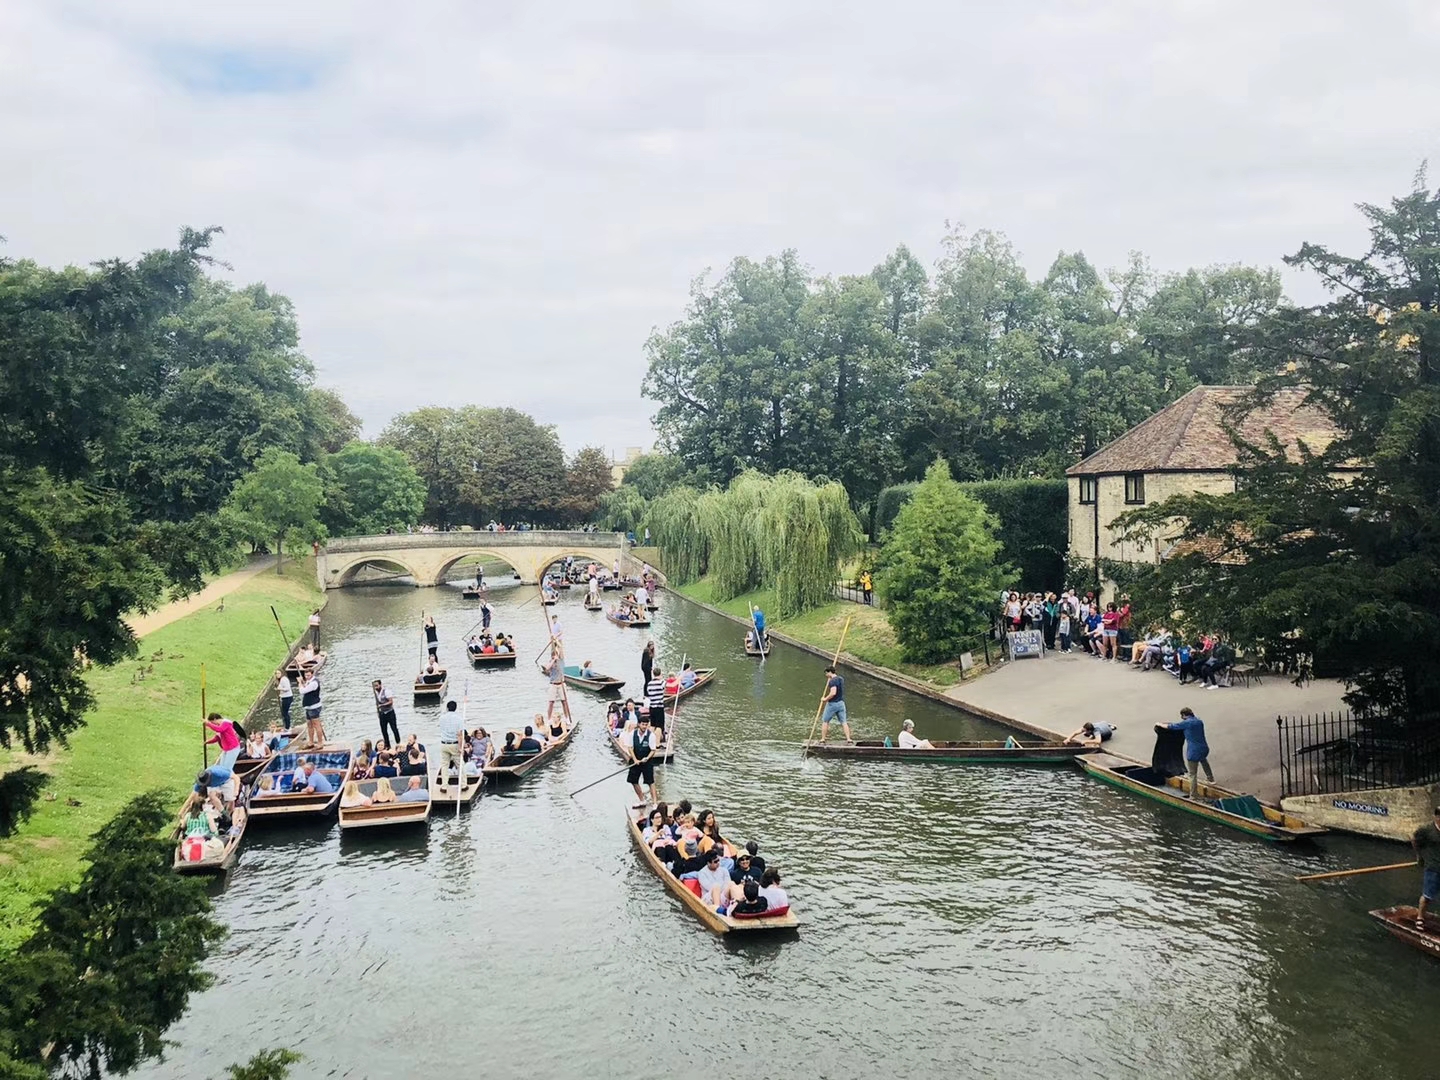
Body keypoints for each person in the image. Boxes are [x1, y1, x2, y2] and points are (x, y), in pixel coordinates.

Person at [1165, 707, 1213, 798]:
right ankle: (1211, 779)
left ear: (1184, 715)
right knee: (1204, 761)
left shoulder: (1187, 723)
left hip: (1193, 751)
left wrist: (1159, 724)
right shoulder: (1199, 721)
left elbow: (1172, 727)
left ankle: (1193, 795)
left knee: (1192, 774)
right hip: (1204, 748)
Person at [1411, 807, 1440, 930]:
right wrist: (1420, 856)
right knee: (1427, 896)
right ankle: (1420, 918)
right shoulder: (1427, 830)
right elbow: (1414, 839)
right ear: (1436, 817)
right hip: (1432, 867)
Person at [626, 715, 658, 808]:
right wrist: (635, 759)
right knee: (633, 781)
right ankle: (642, 800)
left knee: (650, 782)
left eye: (646, 725)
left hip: (647, 762)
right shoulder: (633, 734)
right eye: (643, 724)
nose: (644, 726)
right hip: (635, 760)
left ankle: (655, 803)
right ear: (639, 724)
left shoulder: (651, 735)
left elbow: (653, 750)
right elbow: (630, 748)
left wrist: (647, 758)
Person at [819, 666, 850, 742]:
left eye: (826, 673)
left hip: (832, 704)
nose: (826, 675)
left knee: (825, 721)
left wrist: (825, 699)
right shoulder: (840, 679)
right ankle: (849, 739)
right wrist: (830, 679)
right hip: (841, 703)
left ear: (829, 672)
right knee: (844, 722)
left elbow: (833, 693)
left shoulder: (832, 681)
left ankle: (823, 739)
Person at [544, 648, 572, 725]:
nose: (556, 656)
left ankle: (567, 718)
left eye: (557, 654)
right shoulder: (551, 662)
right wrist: (553, 660)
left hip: (561, 684)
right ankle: (549, 719)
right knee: (551, 702)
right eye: (554, 655)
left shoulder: (561, 661)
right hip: (553, 684)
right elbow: (547, 668)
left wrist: (558, 652)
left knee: (564, 701)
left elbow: (561, 651)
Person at [438, 698, 464, 777]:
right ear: (455, 708)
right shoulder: (459, 719)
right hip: (454, 744)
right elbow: (459, 734)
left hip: (444, 744)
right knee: (460, 765)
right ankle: (463, 784)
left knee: (444, 766)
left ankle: (444, 786)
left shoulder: (441, 718)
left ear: (447, 708)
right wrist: (460, 747)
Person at [373, 679, 400, 744]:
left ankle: (398, 743)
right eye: (375, 686)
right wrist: (378, 713)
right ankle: (387, 745)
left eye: (377, 686)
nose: (376, 687)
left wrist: (381, 705)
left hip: (390, 713)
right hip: (382, 714)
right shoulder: (376, 693)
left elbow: (391, 702)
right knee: (384, 730)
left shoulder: (386, 691)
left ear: (380, 685)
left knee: (394, 729)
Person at [645, 666, 667, 746]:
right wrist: (680, 678)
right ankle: (657, 744)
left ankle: (649, 742)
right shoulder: (662, 682)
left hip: (652, 707)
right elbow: (672, 685)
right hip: (659, 707)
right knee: (659, 727)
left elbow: (648, 693)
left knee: (652, 725)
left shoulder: (649, 684)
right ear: (660, 673)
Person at [301, 671, 324, 745]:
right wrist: (303, 683)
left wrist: (299, 684)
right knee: (309, 724)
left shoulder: (314, 683)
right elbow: (306, 688)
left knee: (316, 724)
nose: (307, 677)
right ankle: (311, 742)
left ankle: (320, 742)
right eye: (306, 675)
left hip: (314, 706)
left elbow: (302, 691)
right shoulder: (309, 682)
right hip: (308, 707)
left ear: (312, 674)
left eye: (308, 675)